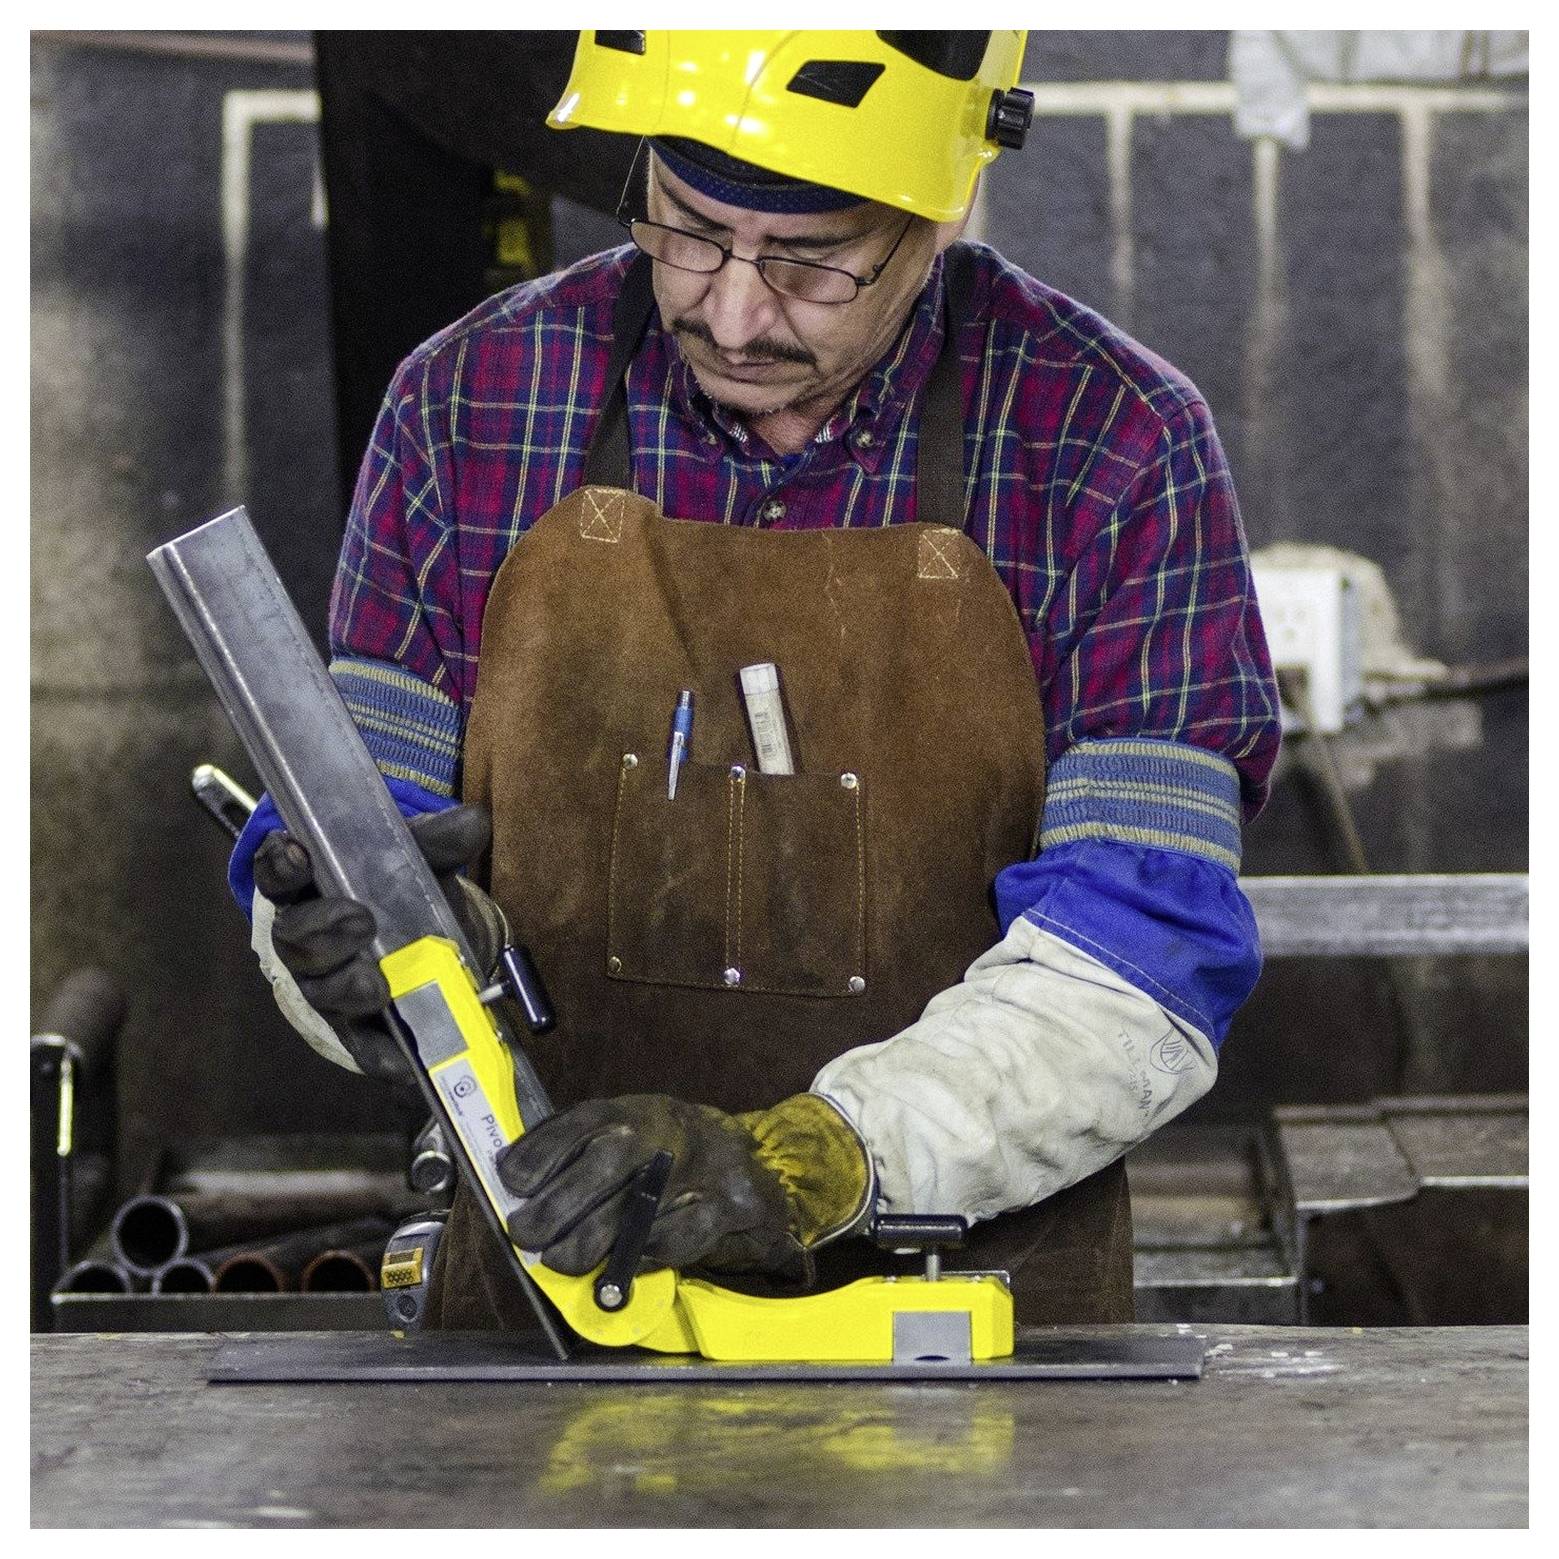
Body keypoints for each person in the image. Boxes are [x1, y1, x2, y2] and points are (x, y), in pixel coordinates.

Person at [231, 30, 1280, 1328]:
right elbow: (352, 841)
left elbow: (1139, 962)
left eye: (809, 260)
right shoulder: (473, 405)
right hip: (550, 1319)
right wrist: (354, 955)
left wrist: (804, 1162)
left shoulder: (1112, 441)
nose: (730, 314)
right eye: (686, 230)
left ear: (940, 207)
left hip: (969, 1339)